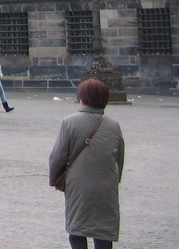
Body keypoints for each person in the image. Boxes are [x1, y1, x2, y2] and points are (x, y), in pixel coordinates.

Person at [49, 79, 125, 249]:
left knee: (77, 230)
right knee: (104, 232)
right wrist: (114, 180)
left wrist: (55, 180)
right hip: (106, 185)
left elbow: (57, 156)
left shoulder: (70, 122)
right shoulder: (114, 126)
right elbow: (119, 158)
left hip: (78, 185)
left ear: (82, 98)